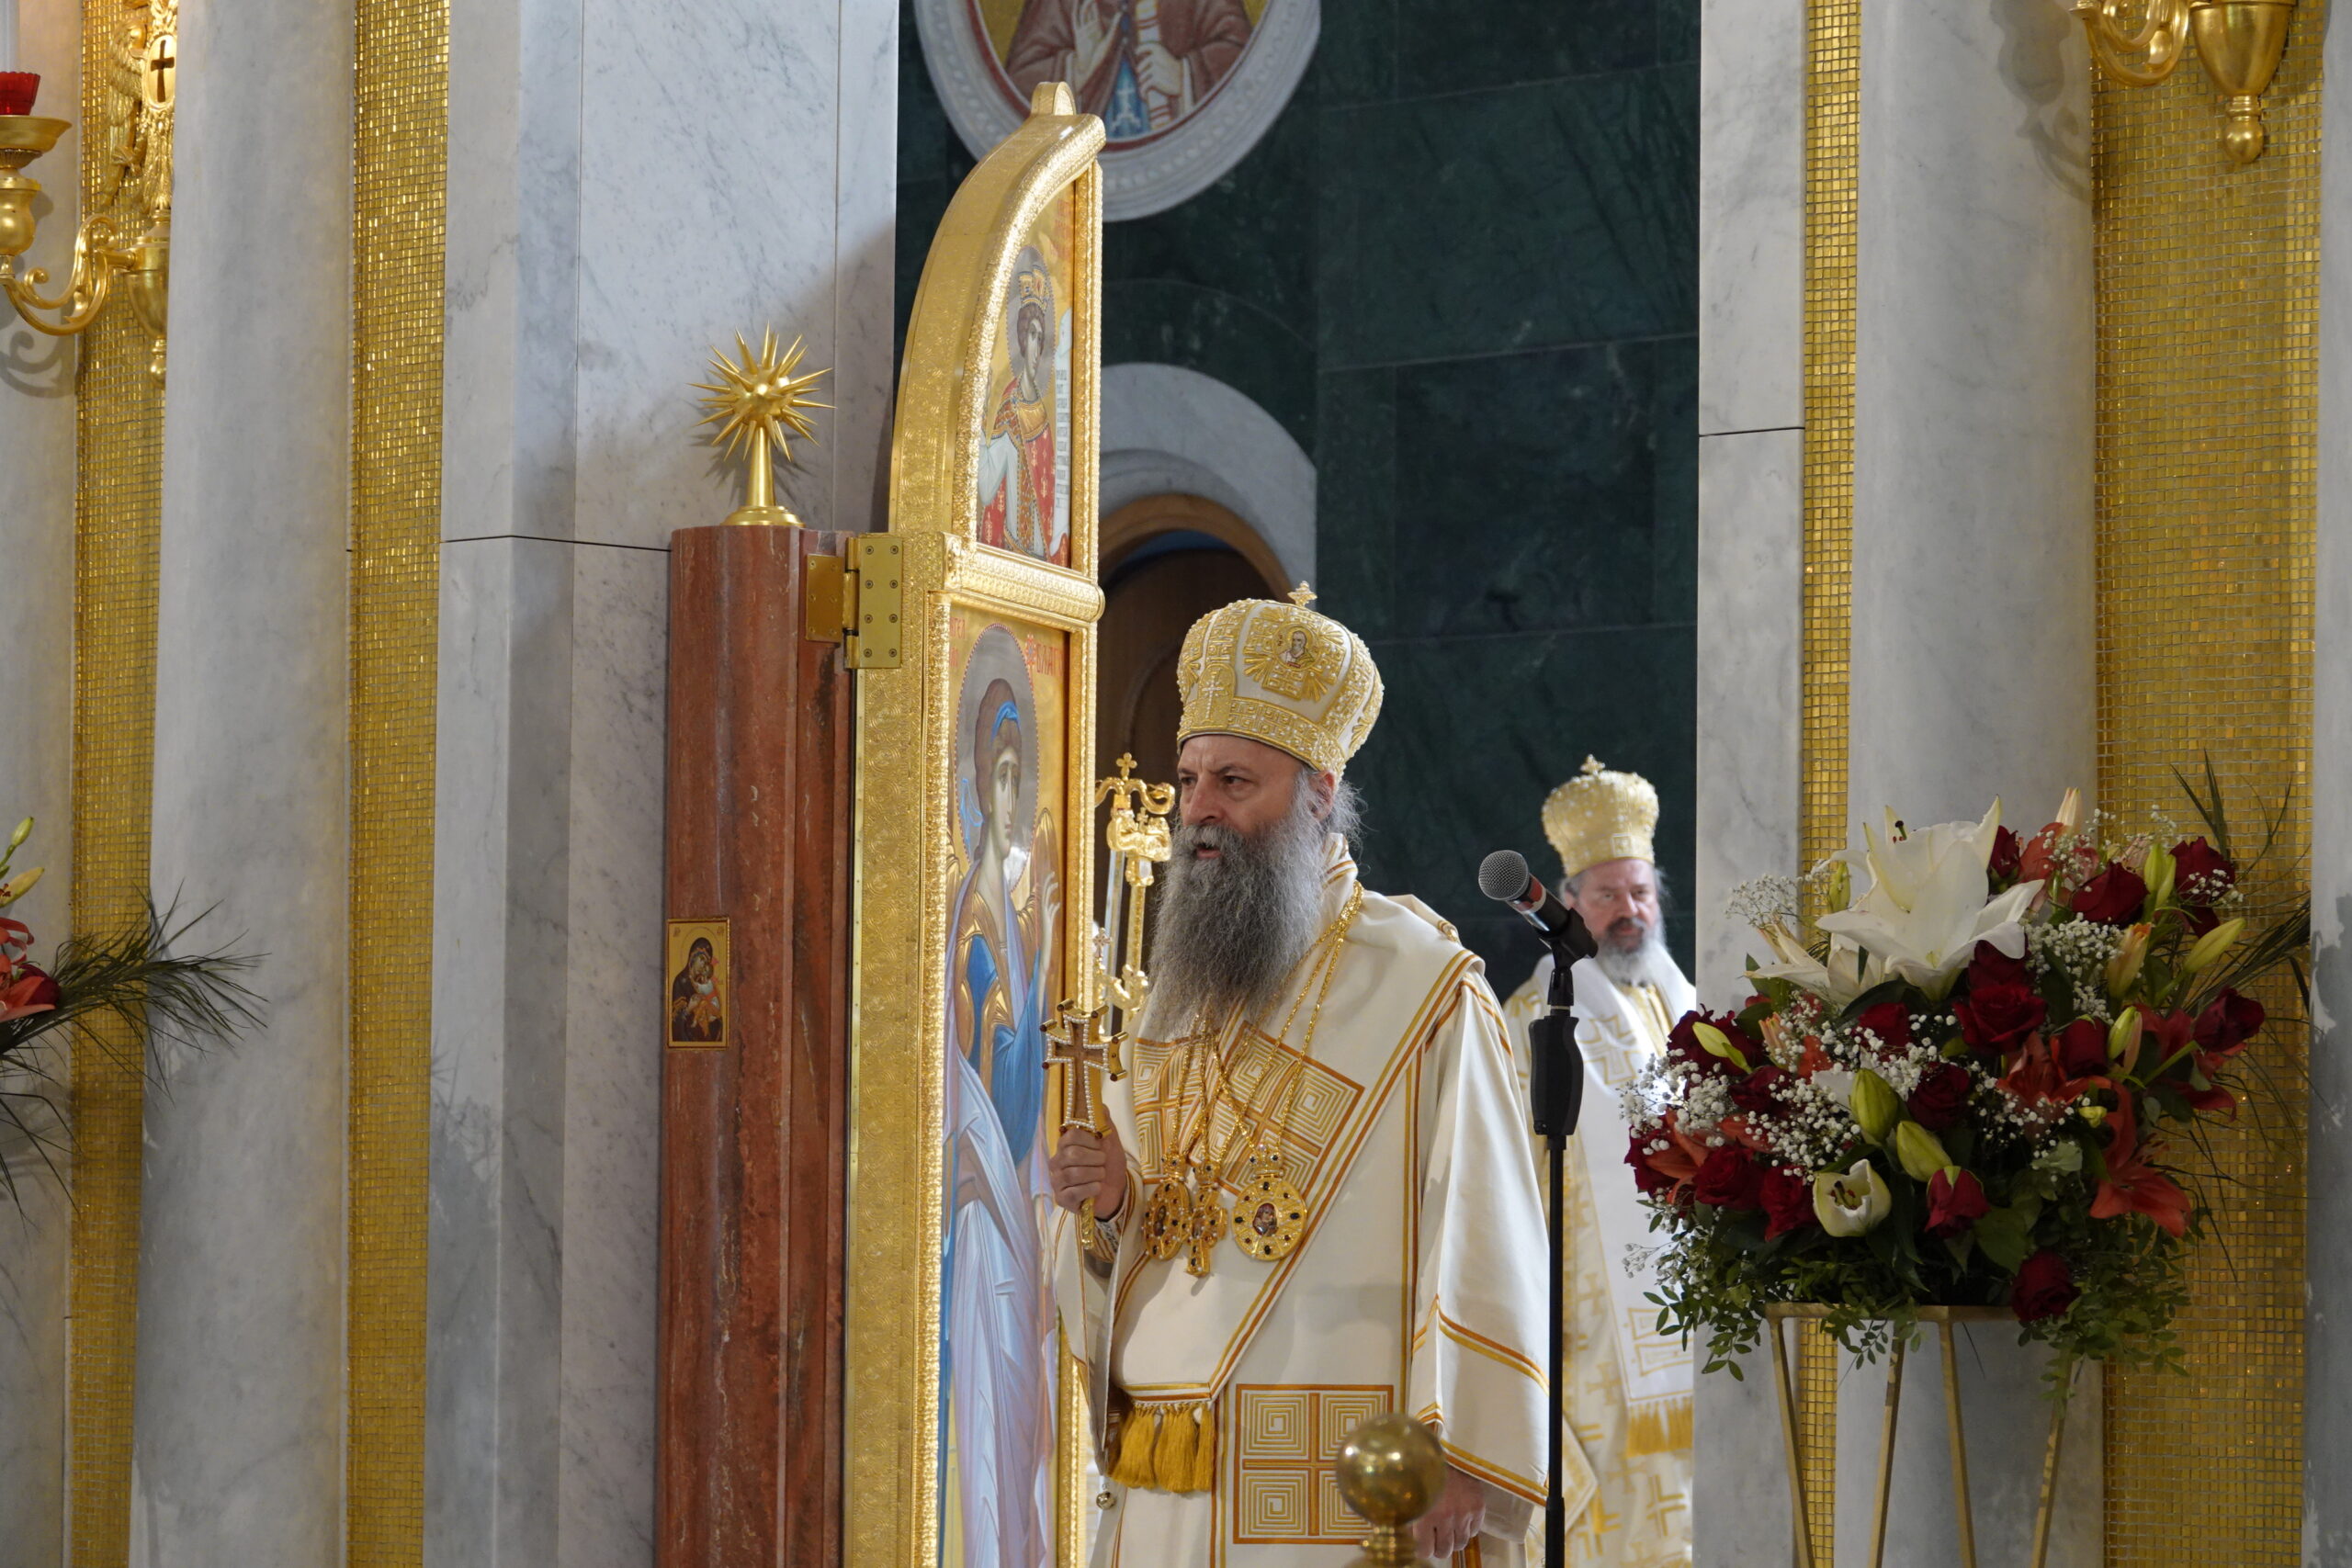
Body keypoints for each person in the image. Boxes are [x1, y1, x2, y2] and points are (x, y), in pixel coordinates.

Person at [1047, 586, 1557, 1567]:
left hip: (1342, 1474)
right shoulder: (1174, 996)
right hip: (1167, 1483)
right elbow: (1150, 1227)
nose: (1199, 808)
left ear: (1320, 792)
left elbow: (1482, 1225)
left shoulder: (1423, 986)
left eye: (1234, 781)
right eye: (1189, 778)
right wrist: (1110, 1206)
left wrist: (1463, 1454)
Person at [1499, 759, 1695, 1566]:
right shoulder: (1528, 1021)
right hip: (1586, 1335)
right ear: (1568, 901)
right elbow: (1504, 1180)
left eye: (1641, 892)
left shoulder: (1684, 1005)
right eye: (1608, 894)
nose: (1629, 911)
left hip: (1690, 1321)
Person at [944, 671, 1062, 1568]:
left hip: (1011, 1188)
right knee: (991, 1398)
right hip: (985, 1200)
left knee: (1019, 1409)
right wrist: (1048, 949)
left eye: (1021, 778)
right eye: (1002, 776)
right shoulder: (977, 918)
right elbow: (1003, 1088)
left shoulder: (1010, 911)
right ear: (979, 787)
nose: (1012, 796)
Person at [1003, 0, 1253, 141]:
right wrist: (1077, 71)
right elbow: (1017, 85)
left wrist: (1183, 74)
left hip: (1175, 158)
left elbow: (1245, 63)